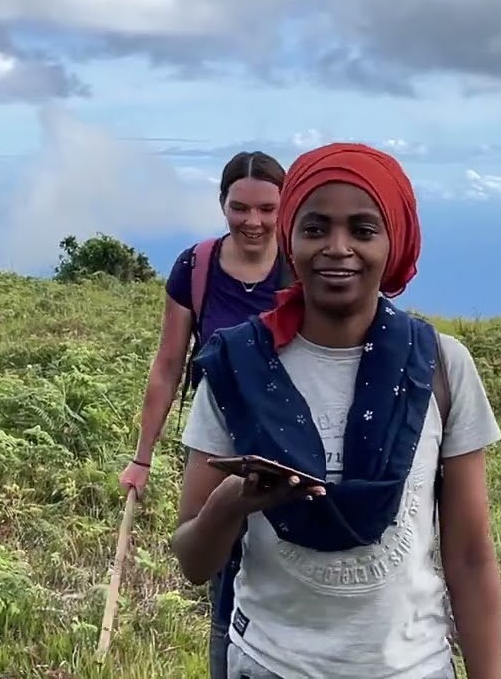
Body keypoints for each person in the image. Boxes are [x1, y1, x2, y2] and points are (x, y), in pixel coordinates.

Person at [170, 142, 501, 679]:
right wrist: (231, 502)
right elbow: (192, 560)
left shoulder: (440, 366)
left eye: (363, 230)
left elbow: (469, 558)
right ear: (291, 240)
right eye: (316, 228)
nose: (337, 247)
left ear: (393, 243)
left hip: (412, 667)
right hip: (270, 665)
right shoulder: (236, 367)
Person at [118, 149, 289, 678]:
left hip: (294, 452)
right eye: (240, 207)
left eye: (267, 208)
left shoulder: (302, 267)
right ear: (222, 204)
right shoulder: (196, 268)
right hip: (217, 454)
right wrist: (141, 459)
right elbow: (168, 365)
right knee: (224, 576)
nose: (253, 221)